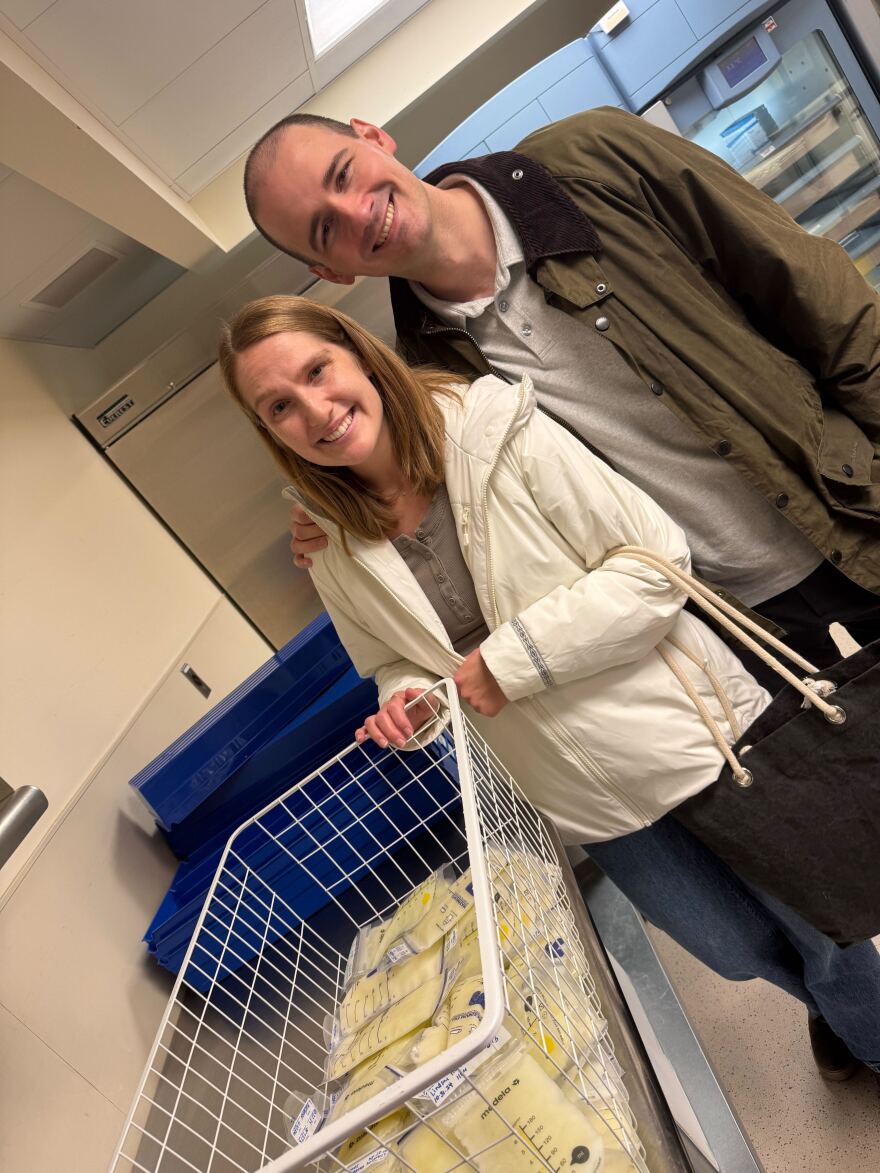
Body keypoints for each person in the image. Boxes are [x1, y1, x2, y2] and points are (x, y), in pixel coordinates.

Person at [241, 109, 880, 1078]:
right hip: (722, 617)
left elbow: (813, 287)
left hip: (839, 507)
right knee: (826, 829)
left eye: (342, 172)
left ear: (375, 138)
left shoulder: (593, 160)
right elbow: (432, 498)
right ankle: (846, 999)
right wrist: (328, 518)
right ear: (327, 270)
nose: (352, 210)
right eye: (320, 229)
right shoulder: (432, 374)